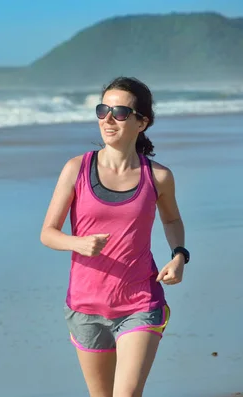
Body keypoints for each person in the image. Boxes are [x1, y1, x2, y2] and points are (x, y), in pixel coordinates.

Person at [40, 76, 189, 397]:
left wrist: (179, 256)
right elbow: (48, 234)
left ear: (142, 122)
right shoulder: (76, 168)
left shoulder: (158, 176)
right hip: (85, 306)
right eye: (102, 110)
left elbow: (172, 219)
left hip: (140, 302)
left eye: (120, 112)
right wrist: (77, 242)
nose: (108, 118)